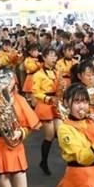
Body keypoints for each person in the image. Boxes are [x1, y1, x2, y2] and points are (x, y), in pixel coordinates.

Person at [32, 47, 60, 175]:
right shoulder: (38, 74)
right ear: (44, 58)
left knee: (59, 132)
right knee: (49, 136)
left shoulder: (56, 72)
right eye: (51, 56)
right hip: (45, 105)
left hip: (56, 103)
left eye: (55, 56)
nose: (54, 58)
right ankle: (43, 162)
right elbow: (35, 92)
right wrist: (48, 98)